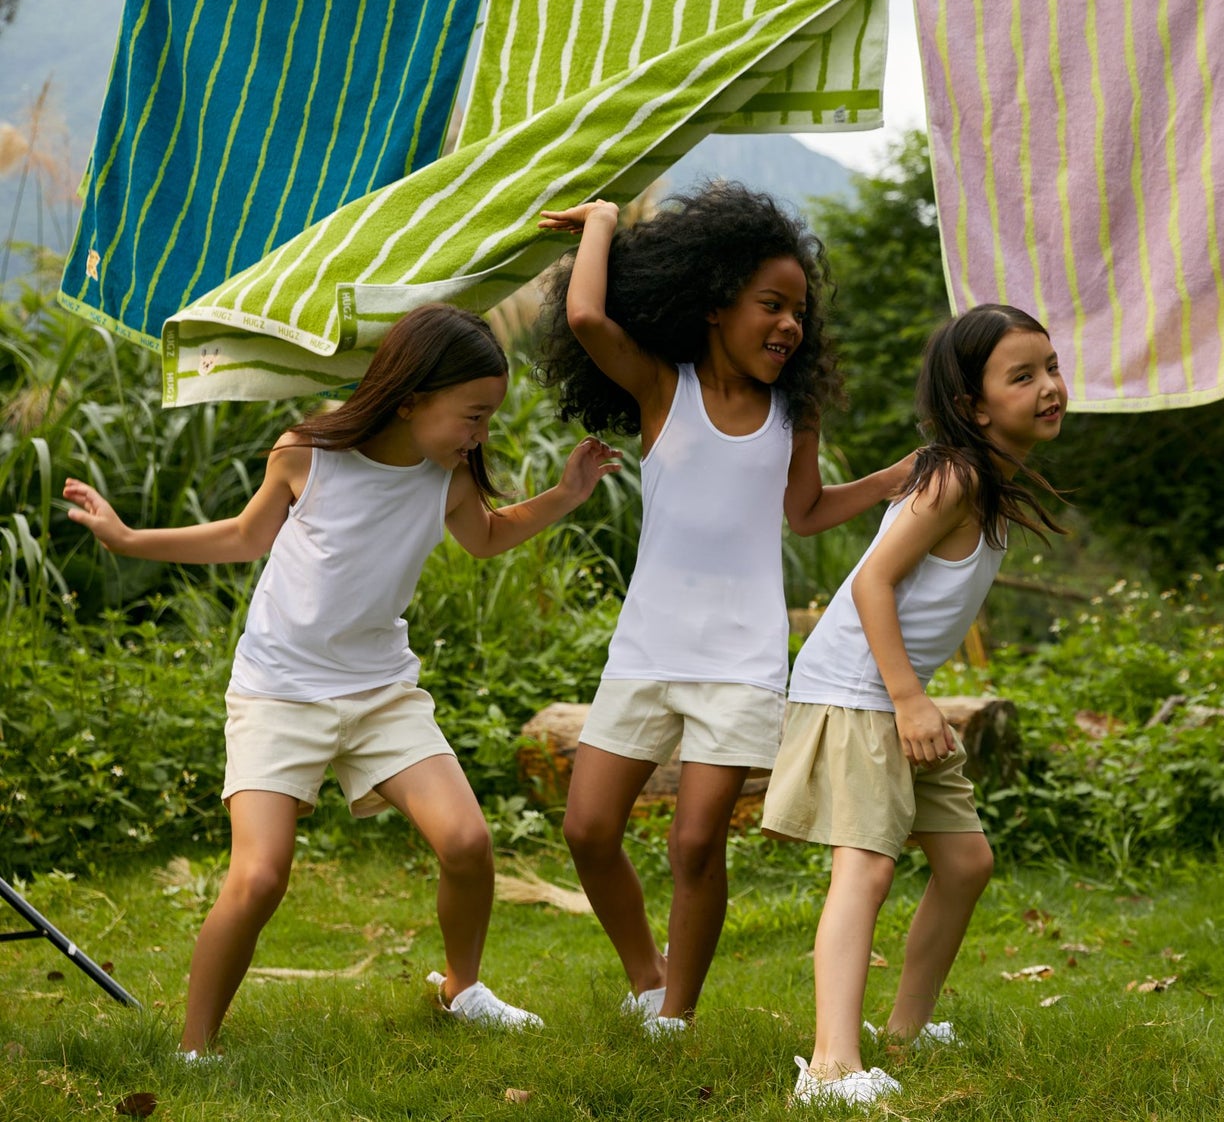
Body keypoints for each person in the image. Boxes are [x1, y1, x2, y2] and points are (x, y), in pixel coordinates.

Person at [62, 303, 623, 1057]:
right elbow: (244, 537)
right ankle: (195, 1051)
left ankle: (463, 990)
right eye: (474, 415)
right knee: (259, 878)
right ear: (412, 397)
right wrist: (128, 538)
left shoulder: (446, 475)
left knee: (466, 842)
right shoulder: (308, 454)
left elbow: (486, 537)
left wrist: (566, 495)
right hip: (278, 692)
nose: (480, 434)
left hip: (381, 693)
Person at [533, 184, 912, 1033]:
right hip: (646, 652)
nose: (790, 326)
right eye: (771, 305)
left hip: (741, 662)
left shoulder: (792, 411)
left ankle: (676, 1015)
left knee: (696, 843)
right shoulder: (665, 390)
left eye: (799, 313)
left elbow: (805, 512)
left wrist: (888, 483)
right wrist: (601, 224)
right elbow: (590, 320)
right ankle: (645, 972)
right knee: (588, 829)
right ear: (713, 306)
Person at [763, 303, 1066, 1106]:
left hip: (894, 694)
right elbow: (872, 581)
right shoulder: (961, 476)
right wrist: (909, 698)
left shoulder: (980, 473)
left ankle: (904, 1030)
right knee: (863, 869)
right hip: (865, 691)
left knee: (965, 863)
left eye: (1051, 368)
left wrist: (913, 697)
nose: (1049, 388)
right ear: (974, 405)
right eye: (1023, 376)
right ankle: (831, 1068)